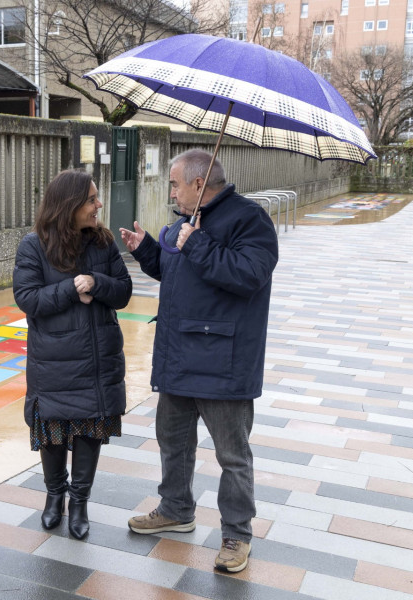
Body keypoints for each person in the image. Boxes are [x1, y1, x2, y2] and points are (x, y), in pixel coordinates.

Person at [120, 149, 278, 572]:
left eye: (174, 183)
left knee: (232, 454)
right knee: (173, 440)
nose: (170, 190)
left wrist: (201, 244)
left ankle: (236, 534)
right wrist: (148, 251)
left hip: (222, 361)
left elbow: (249, 276)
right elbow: (179, 272)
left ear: (197, 183)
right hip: (178, 356)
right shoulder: (184, 222)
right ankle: (175, 508)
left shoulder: (250, 220)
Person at [13, 168, 132, 540]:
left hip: (97, 357)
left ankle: (79, 502)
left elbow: (124, 292)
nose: (99, 204)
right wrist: (69, 289)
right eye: (92, 199)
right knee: (52, 428)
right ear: (70, 205)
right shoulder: (33, 245)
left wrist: (97, 283)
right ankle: (54, 497)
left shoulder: (103, 243)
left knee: (88, 429)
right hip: (54, 358)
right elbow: (27, 298)